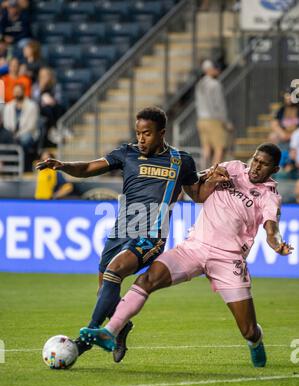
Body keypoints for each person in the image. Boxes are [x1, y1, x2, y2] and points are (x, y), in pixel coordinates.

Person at [37, 106, 229, 363]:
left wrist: (213, 182)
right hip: (120, 231)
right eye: (138, 133)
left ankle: (86, 339)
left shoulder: (180, 160)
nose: (141, 139)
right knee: (105, 289)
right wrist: (63, 166)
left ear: (162, 133)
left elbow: (197, 195)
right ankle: (122, 327)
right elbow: (89, 168)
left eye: (147, 134)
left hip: (151, 234)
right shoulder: (126, 153)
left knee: (114, 271)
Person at [82, 143, 294, 368]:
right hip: (195, 247)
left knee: (248, 330)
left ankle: (256, 342)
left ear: (275, 170)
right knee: (147, 279)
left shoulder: (269, 197)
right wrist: (211, 174)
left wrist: (277, 245)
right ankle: (110, 332)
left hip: (228, 260)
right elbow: (195, 179)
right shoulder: (233, 167)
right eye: (256, 160)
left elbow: (272, 230)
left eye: (264, 165)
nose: (256, 167)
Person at [195, 59, 232, 168]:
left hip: (201, 120)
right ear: (209, 70)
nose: (218, 70)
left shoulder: (199, 84)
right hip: (214, 120)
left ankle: (202, 172)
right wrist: (226, 122)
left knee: (206, 148)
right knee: (219, 148)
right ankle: (213, 174)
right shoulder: (215, 84)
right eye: (216, 68)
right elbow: (219, 105)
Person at [3, 82, 39, 170]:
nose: (17, 93)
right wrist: (11, 134)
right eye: (15, 91)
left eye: (19, 91)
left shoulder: (32, 106)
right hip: (11, 134)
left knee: (24, 140)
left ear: (23, 92)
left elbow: (31, 126)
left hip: (28, 133)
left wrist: (17, 135)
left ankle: (24, 167)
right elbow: (6, 124)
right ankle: (10, 168)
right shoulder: (8, 106)